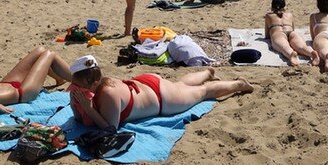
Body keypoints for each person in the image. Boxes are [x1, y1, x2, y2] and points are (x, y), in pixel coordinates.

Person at [68, 55, 252, 130]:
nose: (75, 90)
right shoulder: (93, 86)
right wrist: (75, 102)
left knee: (203, 92)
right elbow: (78, 118)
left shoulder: (108, 94)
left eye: (78, 87)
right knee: (179, 85)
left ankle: (239, 84)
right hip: (146, 84)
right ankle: (207, 72)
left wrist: (88, 108)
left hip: (162, 99)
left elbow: (110, 128)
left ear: (92, 83)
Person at [264, 0, 317, 67]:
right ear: (284, 7)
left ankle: (291, 54)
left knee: (284, 47)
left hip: (278, 33)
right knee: (301, 46)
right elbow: (293, 29)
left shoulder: (268, 15)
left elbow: (267, 35)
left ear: (272, 7)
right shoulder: (289, 15)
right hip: (291, 32)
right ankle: (311, 53)